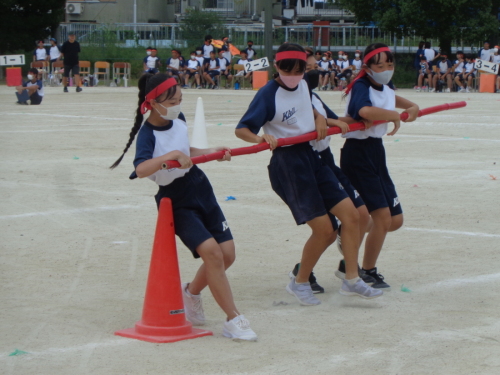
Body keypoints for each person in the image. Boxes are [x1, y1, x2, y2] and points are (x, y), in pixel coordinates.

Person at [110, 74, 257, 341]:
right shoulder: (147, 134)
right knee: (212, 254)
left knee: (227, 255)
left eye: (180, 99)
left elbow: (185, 150)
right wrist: (170, 157)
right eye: (173, 100)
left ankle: (190, 292)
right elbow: (141, 169)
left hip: (201, 187)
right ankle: (233, 318)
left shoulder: (179, 119)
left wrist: (210, 150)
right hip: (175, 200)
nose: (178, 104)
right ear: (153, 102)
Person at [235, 43, 383, 304]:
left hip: (313, 156)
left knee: (352, 216)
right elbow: (241, 129)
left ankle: (351, 279)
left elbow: (309, 106)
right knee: (325, 230)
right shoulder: (268, 94)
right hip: (289, 163)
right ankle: (300, 281)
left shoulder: (303, 85)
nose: (294, 75)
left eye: (300, 69)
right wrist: (259, 137)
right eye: (287, 69)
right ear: (277, 68)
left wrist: (320, 119)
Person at [339, 43, 419, 290]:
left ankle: (350, 243)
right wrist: (392, 115)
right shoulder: (361, 86)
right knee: (382, 217)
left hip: (376, 152)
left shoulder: (385, 86)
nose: (386, 70)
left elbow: (392, 97)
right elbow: (364, 110)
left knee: (394, 220)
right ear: (367, 67)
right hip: (358, 154)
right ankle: (366, 270)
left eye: (390, 65)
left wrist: (411, 107)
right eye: (380, 66)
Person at [289, 69, 376, 293]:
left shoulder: (313, 96)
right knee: (326, 230)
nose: (314, 72)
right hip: (307, 163)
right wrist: (322, 119)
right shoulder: (288, 100)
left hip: (326, 161)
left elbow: (335, 120)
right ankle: (302, 274)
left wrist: (362, 119)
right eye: (307, 68)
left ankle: (349, 269)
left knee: (362, 216)